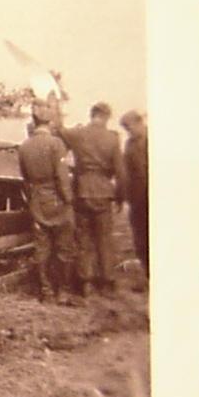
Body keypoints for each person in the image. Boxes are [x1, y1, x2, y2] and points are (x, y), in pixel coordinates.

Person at [51, 100, 128, 297]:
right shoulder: (112, 138)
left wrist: (55, 105)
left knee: (84, 239)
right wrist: (119, 197)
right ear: (107, 117)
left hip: (82, 191)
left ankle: (85, 283)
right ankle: (107, 282)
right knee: (104, 238)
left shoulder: (79, 134)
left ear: (91, 114)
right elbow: (120, 171)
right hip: (103, 191)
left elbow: (59, 130)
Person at [17, 102, 76, 302]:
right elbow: (62, 177)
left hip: (37, 200)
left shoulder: (24, 147)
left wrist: (32, 200)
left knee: (41, 247)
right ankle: (63, 291)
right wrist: (68, 199)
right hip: (57, 199)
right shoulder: (56, 144)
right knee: (64, 246)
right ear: (49, 121)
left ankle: (46, 291)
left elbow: (25, 179)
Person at [119, 109, 149, 282]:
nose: (128, 132)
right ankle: (147, 274)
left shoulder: (153, 139)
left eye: (129, 128)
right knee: (140, 237)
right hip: (137, 197)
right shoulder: (129, 144)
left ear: (139, 123)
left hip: (152, 195)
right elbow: (125, 171)